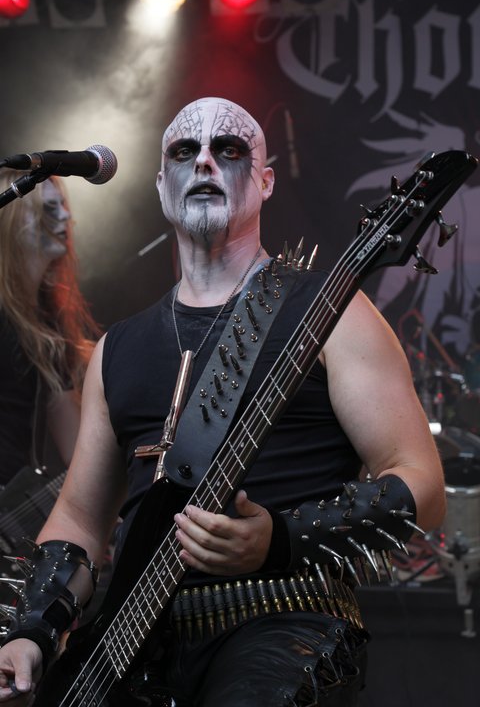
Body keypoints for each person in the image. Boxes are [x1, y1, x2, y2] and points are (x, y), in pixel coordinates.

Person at [0, 98, 446, 707]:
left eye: (229, 150)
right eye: (185, 151)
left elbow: (423, 486)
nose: (205, 162)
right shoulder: (116, 349)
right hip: (132, 644)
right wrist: (33, 632)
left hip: (283, 620)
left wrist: (279, 539)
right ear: (162, 185)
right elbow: (79, 519)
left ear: (265, 182)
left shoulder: (333, 312)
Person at [0, 168, 100, 523]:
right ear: (12, 219)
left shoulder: (49, 323)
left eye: (64, 207)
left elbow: (78, 450)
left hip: (12, 519)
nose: (66, 218)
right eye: (49, 209)